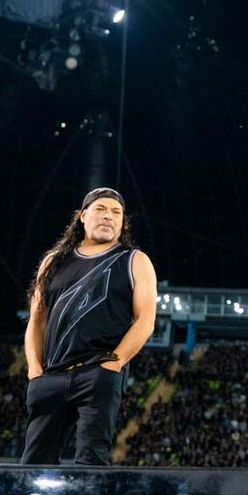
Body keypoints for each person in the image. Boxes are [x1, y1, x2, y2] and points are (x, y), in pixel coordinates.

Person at [21, 187, 157, 465]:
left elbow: (146, 320)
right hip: (51, 375)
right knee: (33, 464)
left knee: (91, 463)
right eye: (101, 209)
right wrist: (35, 370)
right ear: (82, 216)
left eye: (116, 213)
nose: (109, 216)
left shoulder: (134, 260)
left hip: (98, 373)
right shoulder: (53, 261)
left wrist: (113, 365)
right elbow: (37, 319)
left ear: (122, 222)